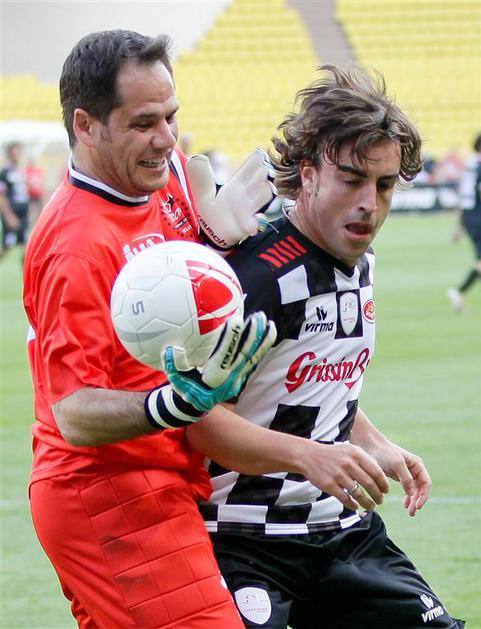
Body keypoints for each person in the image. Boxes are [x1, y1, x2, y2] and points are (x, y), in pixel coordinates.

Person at [186, 66, 465, 628]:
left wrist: (376, 444)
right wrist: (308, 456)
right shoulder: (259, 279)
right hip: (245, 540)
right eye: (351, 180)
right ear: (309, 174)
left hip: (341, 534)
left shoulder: (360, 262)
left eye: (383, 185)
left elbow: (307, 381)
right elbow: (202, 424)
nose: (369, 203)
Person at [23, 29, 281, 628]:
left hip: (165, 477)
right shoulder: (75, 245)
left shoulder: (168, 182)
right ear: (86, 125)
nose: (166, 139)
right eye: (143, 123)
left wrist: (218, 248)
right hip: (109, 494)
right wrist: (176, 403)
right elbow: (74, 412)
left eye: (170, 116)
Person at [447, 132, 481, 311]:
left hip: (469, 218)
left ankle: (459, 293)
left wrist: (459, 226)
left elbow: (462, 197)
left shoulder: (470, 165)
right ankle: (459, 292)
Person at [0, 142, 30, 258]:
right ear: (10, 153)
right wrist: (9, 217)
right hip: (12, 214)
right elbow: (1, 196)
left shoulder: (21, 171)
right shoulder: (5, 172)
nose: (17, 154)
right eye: (15, 151)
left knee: (27, 248)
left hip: (23, 215)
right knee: (7, 247)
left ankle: (26, 269)